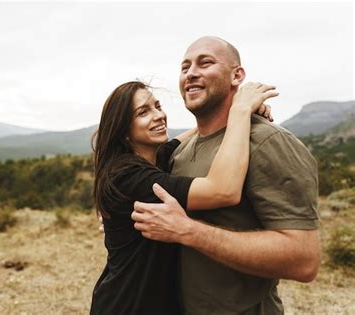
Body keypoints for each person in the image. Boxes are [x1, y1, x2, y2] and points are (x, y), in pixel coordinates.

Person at [131, 36, 321, 314]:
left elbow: (304, 260)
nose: (191, 73)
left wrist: (190, 231)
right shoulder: (179, 152)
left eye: (205, 63)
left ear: (237, 76)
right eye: (184, 68)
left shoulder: (268, 142)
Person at [90, 79, 277, 314]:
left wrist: (240, 109)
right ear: (124, 130)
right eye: (143, 112)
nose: (158, 115)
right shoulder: (128, 176)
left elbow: (196, 132)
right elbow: (223, 190)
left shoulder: (159, 157)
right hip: (129, 305)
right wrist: (240, 112)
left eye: (157, 106)